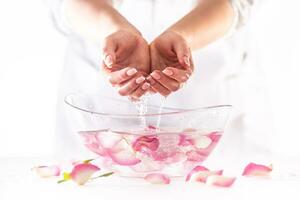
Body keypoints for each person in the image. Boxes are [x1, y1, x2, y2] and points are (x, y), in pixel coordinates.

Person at [48, 0, 273, 168]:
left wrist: (184, 37)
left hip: (211, 94)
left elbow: (237, 3)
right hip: (98, 105)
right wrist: (113, 31)